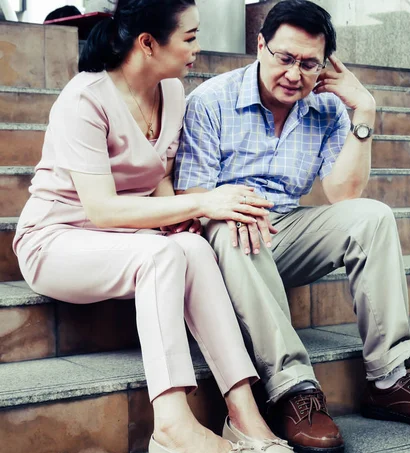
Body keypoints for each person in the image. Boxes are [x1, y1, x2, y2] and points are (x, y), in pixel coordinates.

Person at [174, 1, 410, 452]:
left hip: (287, 231)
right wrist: (233, 207)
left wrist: (364, 111)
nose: (295, 74)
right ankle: (294, 390)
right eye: (285, 58)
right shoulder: (211, 101)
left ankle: (389, 379)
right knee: (237, 229)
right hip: (225, 233)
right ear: (260, 46)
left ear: (326, 65)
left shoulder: (328, 110)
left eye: (309, 63)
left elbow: (343, 195)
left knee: (373, 216)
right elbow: (190, 201)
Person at [13, 1, 293, 453]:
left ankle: (245, 416)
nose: (197, 48)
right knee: (162, 255)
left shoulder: (173, 92)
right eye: (189, 37)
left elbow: (157, 174)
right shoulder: (84, 98)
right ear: (147, 43)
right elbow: (101, 210)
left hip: (127, 239)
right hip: (56, 239)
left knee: (194, 249)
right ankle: (171, 426)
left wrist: (182, 218)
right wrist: (204, 201)